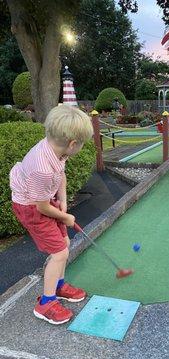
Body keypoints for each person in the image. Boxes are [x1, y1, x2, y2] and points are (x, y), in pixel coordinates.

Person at [9, 105, 93, 325]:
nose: (81, 148)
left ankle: (59, 285)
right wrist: (65, 218)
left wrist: (64, 202)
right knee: (59, 254)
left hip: (43, 201)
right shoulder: (41, 168)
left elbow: (61, 175)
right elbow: (41, 208)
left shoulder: (56, 149)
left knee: (64, 243)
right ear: (73, 144)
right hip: (32, 208)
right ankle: (46, 303)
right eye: (81, 144)